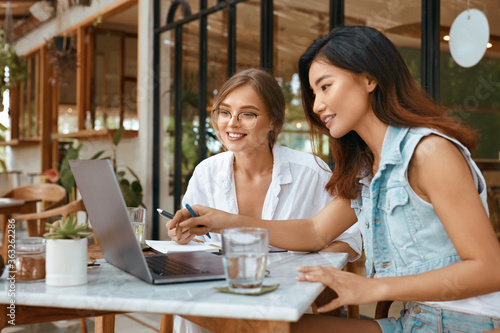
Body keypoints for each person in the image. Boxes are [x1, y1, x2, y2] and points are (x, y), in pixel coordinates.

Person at [169, 26, 500, 332]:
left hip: (465, 323)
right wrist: (227, 221)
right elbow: (315, 231)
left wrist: (373, 288)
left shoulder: (429, 153)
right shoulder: (367, 168)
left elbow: (489, 269)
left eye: (325, 86)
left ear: (369, 79)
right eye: (313, 93)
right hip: (412, 321)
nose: (317, 105)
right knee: (246, 323)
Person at [167, 68, 362, 333]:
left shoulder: (311, 171)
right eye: (224, 112)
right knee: (192, 312)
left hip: (282, 297)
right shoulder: (206, 171)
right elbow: (198, 240)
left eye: (247, 114)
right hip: (218, 290)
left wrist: (311, 269)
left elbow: (352, 236)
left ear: (274, 122)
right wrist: (185, 234)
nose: (232, 123)